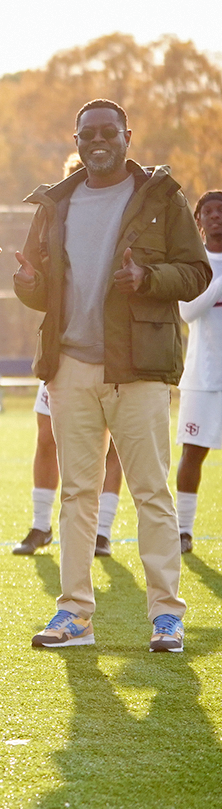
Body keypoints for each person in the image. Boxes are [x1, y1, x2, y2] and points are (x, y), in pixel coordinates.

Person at [14, 100, 208, 653]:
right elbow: (40, 290)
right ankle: (75, 614)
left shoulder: (161, 197)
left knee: (151, 492)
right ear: (75, 140)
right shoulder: (55, 202)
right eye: (88, 134)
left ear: (127, 135)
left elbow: (196, 273)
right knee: (77, 494)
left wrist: (147, 276)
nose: (98, 141)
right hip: (70, 367)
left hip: (138, 369)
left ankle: (166, 615)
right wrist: (29, 284)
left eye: (108, 132)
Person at [17, 382, 124, 556]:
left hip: (110, 370)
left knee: (111, 443)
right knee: (47, 436)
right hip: (64, 368)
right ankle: (41, 525)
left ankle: (102, 532)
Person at [175, 190, 222, 555]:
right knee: (193, 453)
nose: (216, 216)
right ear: (199, 220)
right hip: (202, 378)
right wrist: (217, 285)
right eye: (209, 212)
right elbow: (186, 312)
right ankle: (183, 532)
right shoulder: (194, 261)